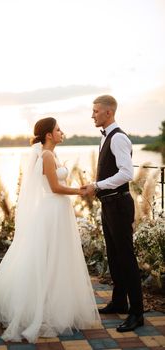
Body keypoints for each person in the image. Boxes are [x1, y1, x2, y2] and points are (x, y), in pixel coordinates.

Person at [0, 117, 101, 343]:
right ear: (48, 135)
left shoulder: (51, 154)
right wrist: (81, 191)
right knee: (48, 257)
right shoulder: (46, 155)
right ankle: (41, 309)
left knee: (58, 258)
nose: (61, 132)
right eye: (58, 129)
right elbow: (55, 188)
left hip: (59, 210)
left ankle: (57, 303)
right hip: (52, 211)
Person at [83, 95, 144, 332]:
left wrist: (96, 186)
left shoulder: (118, 138)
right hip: (109, 204)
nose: (93, 115)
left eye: (96, 111)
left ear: (108, 113)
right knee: (114, 256)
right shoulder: (106, 137)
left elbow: (126, 174)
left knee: (126, 258)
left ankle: (137, 313)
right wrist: (96, 186)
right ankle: (120, 301)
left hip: (119, 204)